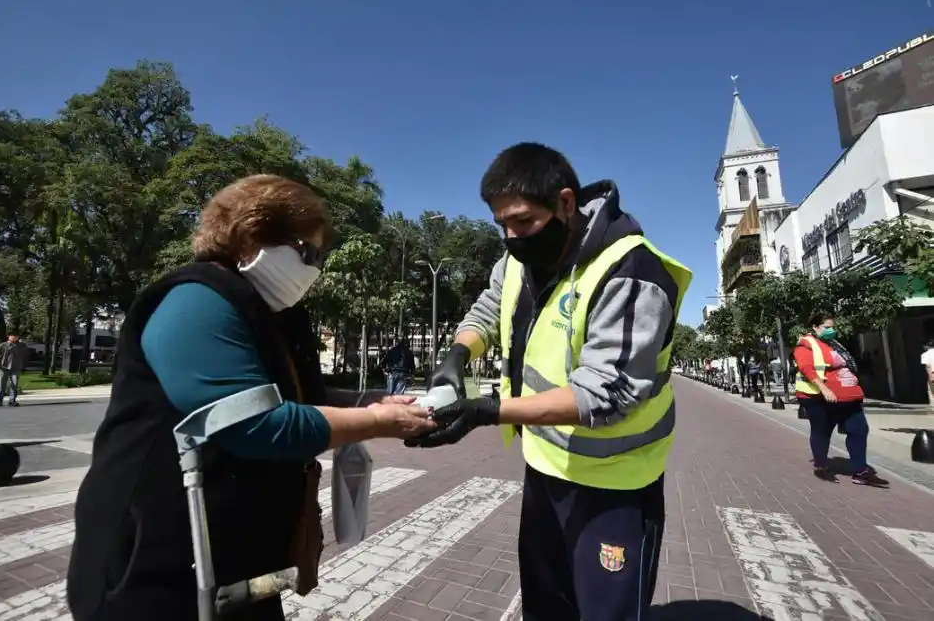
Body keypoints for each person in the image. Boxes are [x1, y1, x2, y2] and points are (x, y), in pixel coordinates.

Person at [66, 175, 436, 621]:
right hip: (158, 562)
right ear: (251, 238)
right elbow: (254, 424)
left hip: (235, 558)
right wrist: (380, 422)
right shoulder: (196, 301)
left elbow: (299, 394)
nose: (315, 268)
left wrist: (368, 401)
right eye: (308, 252)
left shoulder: (267, 313)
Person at [407, 143, 692, 621]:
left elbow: (607, 392)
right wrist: (457, 354)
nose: (511, 237)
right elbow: (487, 308)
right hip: (544, 468)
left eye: (522, 222)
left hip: (615, 482)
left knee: (605, 613)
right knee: (546, 605)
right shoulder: (517, 262)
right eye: (502, 225)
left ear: (564, 203)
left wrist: (486, 411)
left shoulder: (632, 270)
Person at [793, 313, 888, 487]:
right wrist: (824, 388)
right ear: (815, 327)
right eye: (826, 327)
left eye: (832, 327)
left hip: (847, 396)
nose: (831, 330)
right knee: (822, 430)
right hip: (818, 397)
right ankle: (821, 465)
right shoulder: (806, 344)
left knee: (859, 429)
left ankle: (861, 471)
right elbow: (807, 368)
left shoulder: (834, 345)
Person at [0, 331, 27, 407]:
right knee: (2, 384)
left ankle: (12, 400)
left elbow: (24, 356)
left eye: (16, 336)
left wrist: (23, 366)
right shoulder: (3, 345)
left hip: (16, 367)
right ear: (9, 337)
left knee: (14, 384)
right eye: (13, 336)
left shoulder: (21, 346)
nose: (15, 337)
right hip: (3, 367)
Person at [920, 341, 934, 406]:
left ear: (926, 346)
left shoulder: (924, 355)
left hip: (932, 374)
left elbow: (928, 367)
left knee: (932, 393)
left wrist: (931, 377)